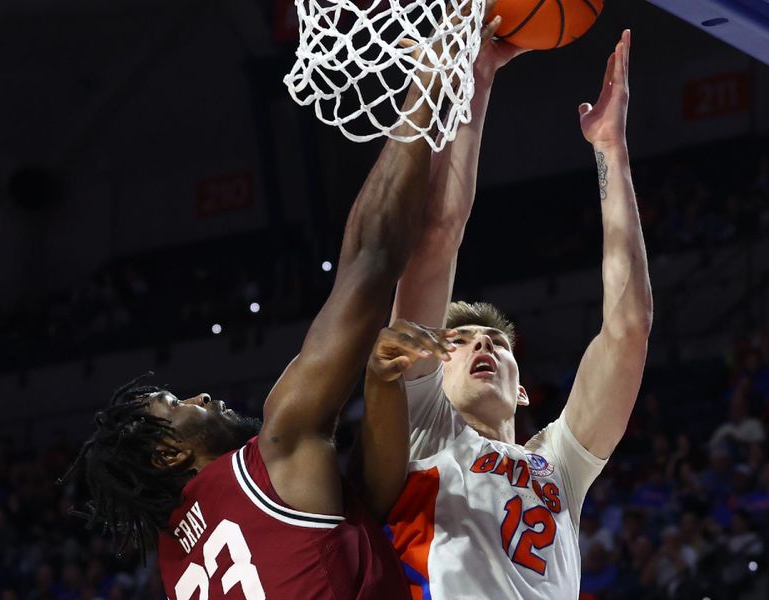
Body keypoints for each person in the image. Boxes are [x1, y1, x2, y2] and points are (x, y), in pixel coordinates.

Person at [59, 14, 502, 597]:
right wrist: (422, 90)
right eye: (178, 406)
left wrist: (380, 383)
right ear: (169, 453)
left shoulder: (177, 571)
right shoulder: (277, 446)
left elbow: (364, 507)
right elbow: (370, 259)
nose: (200, 397)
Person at [383, 30, 653, 597]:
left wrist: (610, 149)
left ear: (523, 389)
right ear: (433, 364)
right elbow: (437, 237)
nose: (482, 345)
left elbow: (627, 330)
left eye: (497, 343)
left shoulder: (560, 465)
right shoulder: (420, 429)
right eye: (460, 341)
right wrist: (474, 82)